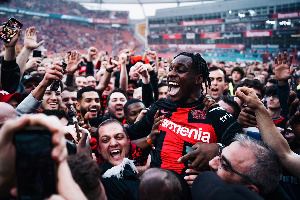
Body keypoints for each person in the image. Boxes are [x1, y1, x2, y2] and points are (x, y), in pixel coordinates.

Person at [127, 52, 242, 176]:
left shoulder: (214, 113)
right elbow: (129, 135)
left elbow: (245, 150)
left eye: (180, 70)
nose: (171, 74)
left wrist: (219, 150)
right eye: (170, 69)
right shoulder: (160, 108)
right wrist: (149, 140)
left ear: (198, 79)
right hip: (154, 185)